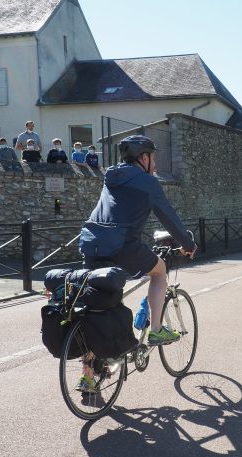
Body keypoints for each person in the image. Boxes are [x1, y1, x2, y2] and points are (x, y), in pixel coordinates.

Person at [79, 135, 197, 349]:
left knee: (94, 304)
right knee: (159, 271)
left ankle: (88, 375)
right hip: (122, 244)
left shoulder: (110, 176)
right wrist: (187, 244)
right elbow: (168, 215)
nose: (154, 164)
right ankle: (157, 331)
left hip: (90, 242)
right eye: (153, 157)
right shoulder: (148, 182)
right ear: (143, 158)